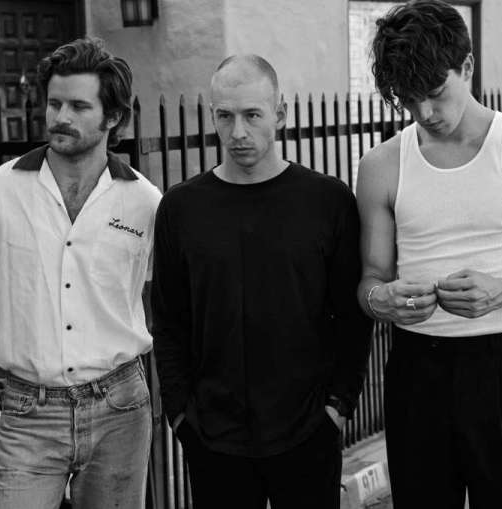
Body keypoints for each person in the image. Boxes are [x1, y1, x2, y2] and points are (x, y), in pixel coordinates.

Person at [356, 2, 502, 508]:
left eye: (435, 93)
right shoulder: (381, 165)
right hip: (416, 369)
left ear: (468, 66)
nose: (424, 113)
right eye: (408, 100)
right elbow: (371, 278)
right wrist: (379, 300)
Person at [152, 54, 372, 509]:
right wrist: (180, 414)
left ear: (280, 114)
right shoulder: (180, 208)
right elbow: (169, 320)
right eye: (225, 116)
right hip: (212, 436)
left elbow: (351, 316)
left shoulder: (327, 201)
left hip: (308, 430)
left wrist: (338, 406)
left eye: (252, 115)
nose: (238, 132)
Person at [0, 38, 160, 509]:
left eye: (79, 106)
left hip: (119, 409)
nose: (60, 116)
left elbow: (153, 294)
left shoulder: (144, 202)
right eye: (54, 103)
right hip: (28, 411)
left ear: (113, 117)